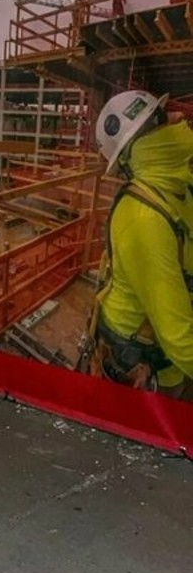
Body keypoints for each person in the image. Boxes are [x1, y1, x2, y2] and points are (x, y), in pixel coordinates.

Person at [89, 89, 193, 398]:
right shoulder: (142, 218)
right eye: (159, 120)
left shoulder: (179, 187)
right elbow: (179, 337)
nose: (178, 116)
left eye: (160, 115)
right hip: (145, 360)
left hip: (167, 352)